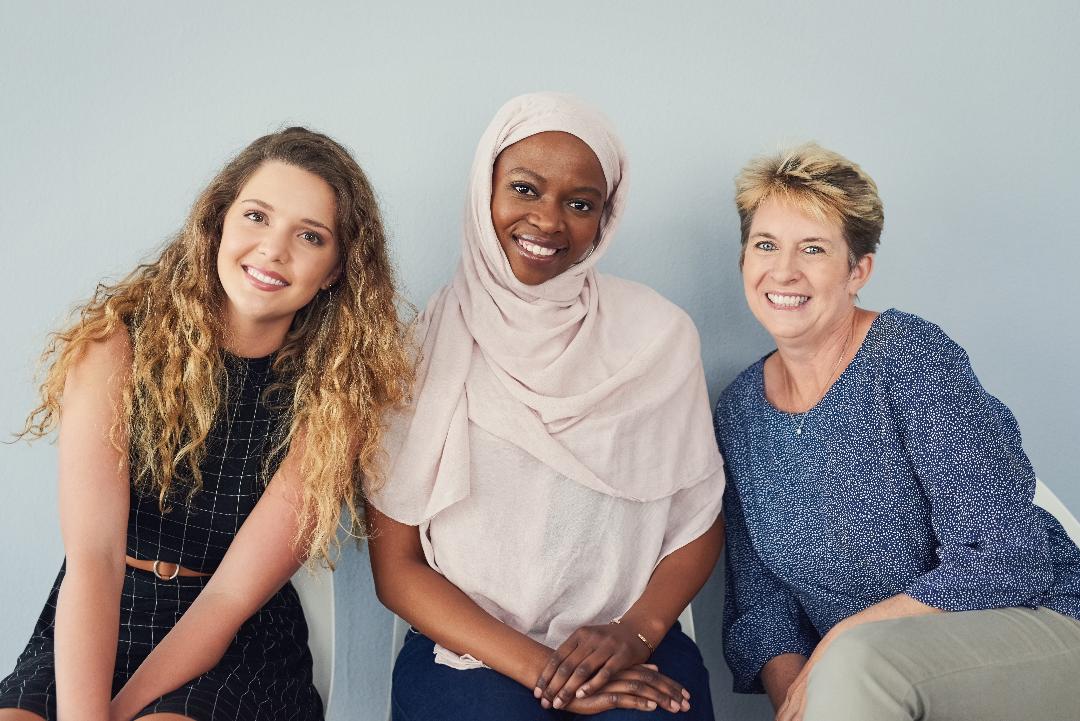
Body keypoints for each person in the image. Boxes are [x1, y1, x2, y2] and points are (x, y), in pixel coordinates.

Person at [0, 127, 412, 721]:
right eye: (256, 216)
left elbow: (227, 598)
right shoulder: (115, 345)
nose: (273, 250)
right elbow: (94, 557)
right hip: (102, 614)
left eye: (310, 236)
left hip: (236, 638)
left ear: (334, 271)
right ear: (217, 223)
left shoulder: (334, 397)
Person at [365, 93, 725, 720]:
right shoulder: (421, 348)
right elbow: (396, 568)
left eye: (579, 203)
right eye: (526, 189)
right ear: (486, 192)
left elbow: (697, 518)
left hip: (627, 645)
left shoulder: (658, 337)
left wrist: (635, 631)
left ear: (604, 219)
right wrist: (551, 674)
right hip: (470, 649)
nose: (548, 221)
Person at [714, 142, 1080, 721]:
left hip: (1038, 630)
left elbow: (1009, 556)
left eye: (813, 249)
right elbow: (763, 608)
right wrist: (800, 701)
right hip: (870, 678)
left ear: (858, 270)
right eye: (766, 245)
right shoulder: (739, 412)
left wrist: (844, 642)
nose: (783, 271)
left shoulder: (909, 357)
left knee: (861, 663)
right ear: (743, 262)